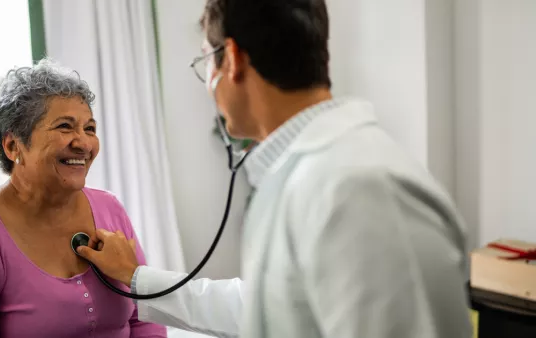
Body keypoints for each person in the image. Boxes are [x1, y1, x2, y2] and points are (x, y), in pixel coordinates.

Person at [77, 0, 473, 337]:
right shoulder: (299, 176)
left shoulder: (363, 189)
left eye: (204, 63)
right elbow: (270, 309)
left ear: (230, 60)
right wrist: (137, 278)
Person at [0, 59, 167, 338]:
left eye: (90, 129)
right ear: (13, 146)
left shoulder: (110, 209)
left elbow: (145, 319)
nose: (83, 143)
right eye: (65, 127)